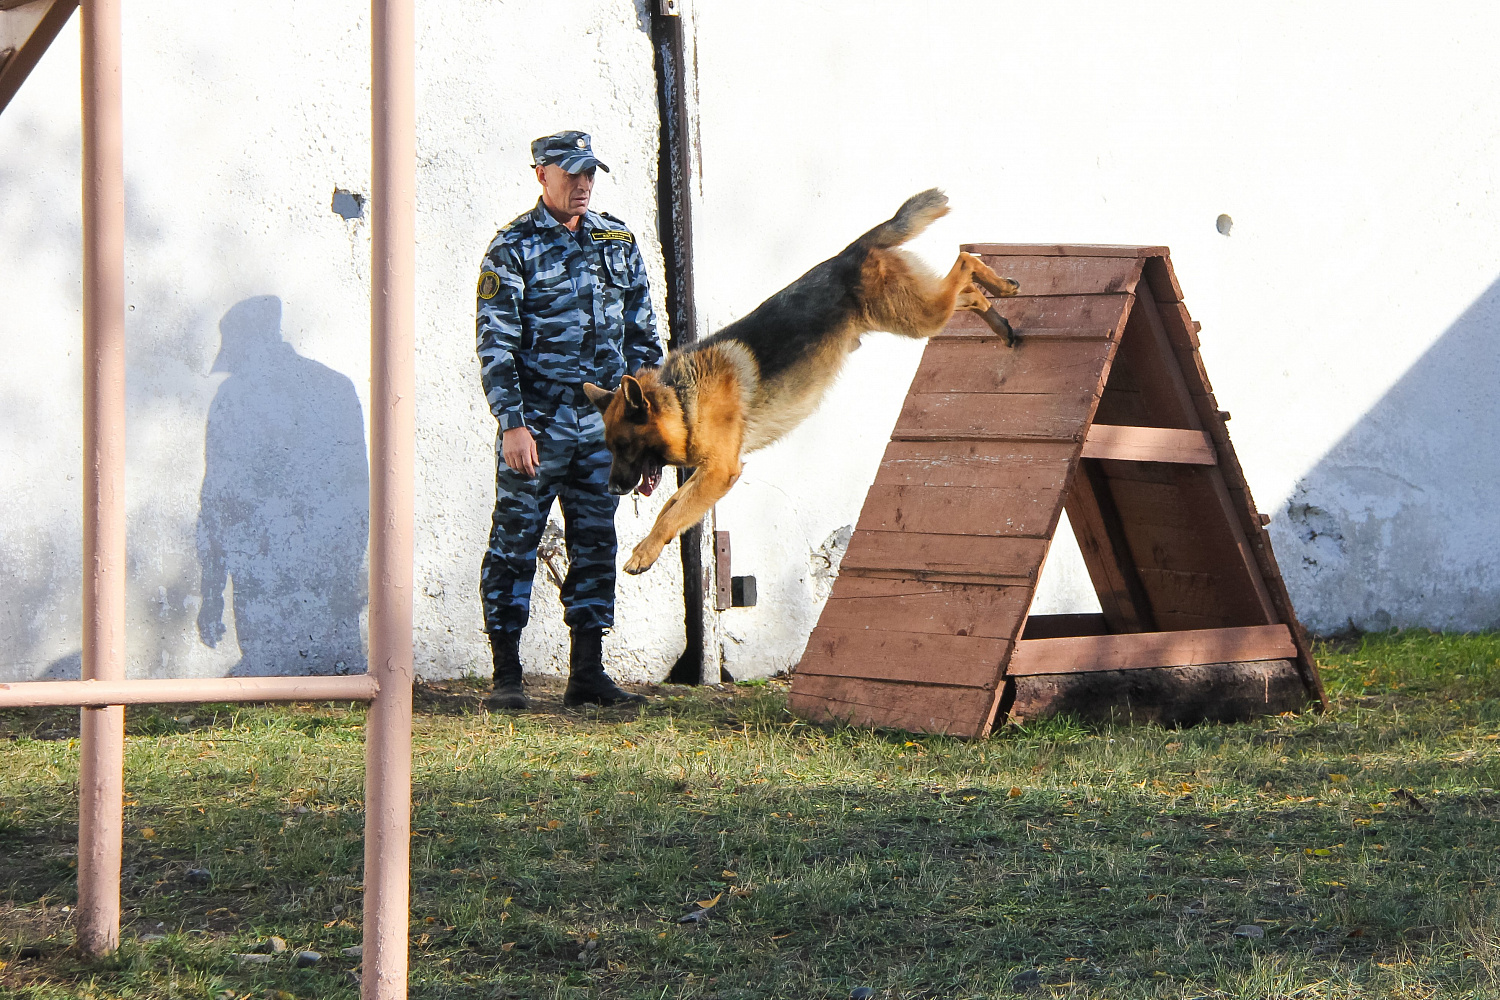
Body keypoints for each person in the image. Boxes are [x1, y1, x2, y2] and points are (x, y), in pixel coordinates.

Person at [474, 130, 662, 710]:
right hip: (538, 425)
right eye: (571, 173)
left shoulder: (617, 240)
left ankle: (586, 673)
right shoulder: (513, 249)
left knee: (596, 541)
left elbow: (644, 341)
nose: (583, 185)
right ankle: (507, 676)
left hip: (603, 429)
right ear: (542, 174)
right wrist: (513, 424)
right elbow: (496, 345)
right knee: (514, 542)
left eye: (590, 174)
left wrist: (648, 437)